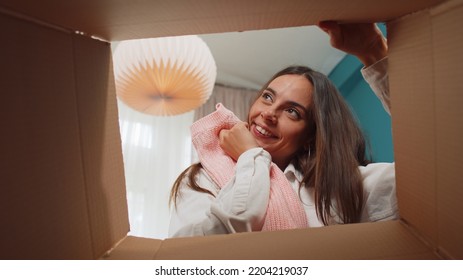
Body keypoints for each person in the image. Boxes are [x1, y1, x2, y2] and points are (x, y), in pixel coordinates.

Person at [168, 21, 397, 237]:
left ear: (309, 137)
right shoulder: (202, 179)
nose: (268, 113)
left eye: (292, 111)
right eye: (267, 97)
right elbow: (198, 252)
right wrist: (252, 160)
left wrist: (374, 50)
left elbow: (430, 169)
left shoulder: (341, 188)